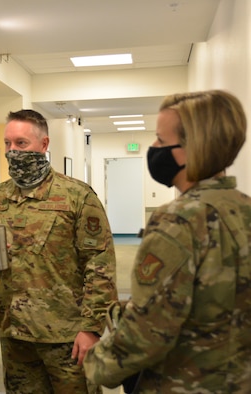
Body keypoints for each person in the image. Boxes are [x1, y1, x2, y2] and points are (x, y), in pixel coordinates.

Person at [83, 90, 251, 393]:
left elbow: (149, 332)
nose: (154, 148)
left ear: (189, 148)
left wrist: (97, 365)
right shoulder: (244, 209)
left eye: (160, 140)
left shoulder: (177, 221)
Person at [0, 109, 117, 393]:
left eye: (21, 143)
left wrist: (91, 328)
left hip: (67, 336)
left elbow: (99, 265)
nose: (12, 152)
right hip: (15, 334)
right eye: (8, 144)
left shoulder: (77, 196)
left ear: (43, 145)